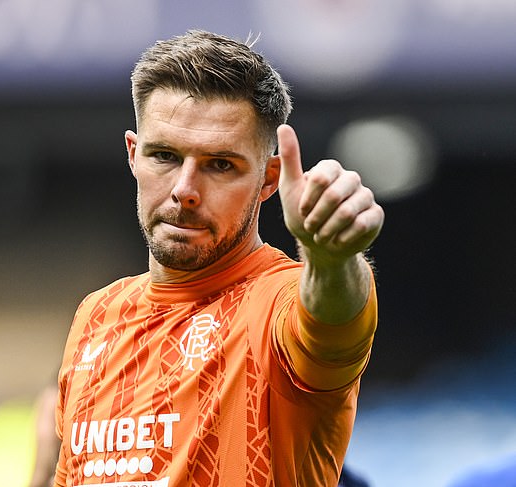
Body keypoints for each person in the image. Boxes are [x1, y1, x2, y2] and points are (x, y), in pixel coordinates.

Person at [53, 30, 384, 486]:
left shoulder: (275, 307)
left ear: (269, 181)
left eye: (220, 165)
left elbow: (332, 314)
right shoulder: (95, 317)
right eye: (164, 155)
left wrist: (330, 259)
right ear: (134, 155)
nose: (185, 190)